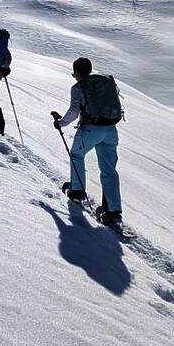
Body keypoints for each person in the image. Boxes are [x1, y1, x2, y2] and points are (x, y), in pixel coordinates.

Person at [51, 57, 123, 225]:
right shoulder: (103, 82)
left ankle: (77, 191)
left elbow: (74, 111)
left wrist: (60, 123)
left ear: (77, 72)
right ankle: (113, 211)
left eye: (74, 72)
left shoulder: (78, 87)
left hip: (91, 129)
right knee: (109, 169)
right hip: (110, 129)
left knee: (76, 154)